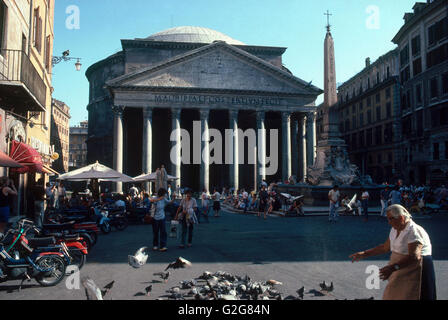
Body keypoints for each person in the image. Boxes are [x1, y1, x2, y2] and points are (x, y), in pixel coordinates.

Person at [350, 204, 436, 300]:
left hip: (415, 268)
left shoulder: (413, 231)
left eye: (391, 219)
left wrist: (392, 268)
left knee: (411, 294)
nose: (389, 222)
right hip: (400, 267)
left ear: (401, 218)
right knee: (394, 294)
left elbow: (414, 256)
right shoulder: (395, 229)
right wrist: (364, 254)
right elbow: (385, 247)